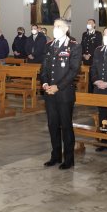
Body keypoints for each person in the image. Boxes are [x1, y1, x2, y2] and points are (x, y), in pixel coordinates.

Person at [41, 18, 82, 170]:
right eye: (54, 26)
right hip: (49, 92)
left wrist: (57, 86)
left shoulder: (74, 46)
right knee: (52, 125)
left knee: (65, 126)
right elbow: (44, 68)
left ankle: (69, 159)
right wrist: (45, 84)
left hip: (64, 92)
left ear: (66, 29)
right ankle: (55, 156)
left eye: (59, 26)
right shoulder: (49, 45)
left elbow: (73, 70)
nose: (55, 28)